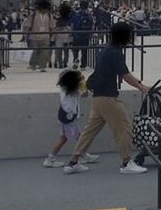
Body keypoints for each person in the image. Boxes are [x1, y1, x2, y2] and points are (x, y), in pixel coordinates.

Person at [62, 22, 151, 175]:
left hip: (98, 97)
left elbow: (119, 73)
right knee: (124, 128)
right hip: (108, 97)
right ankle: (126, 163)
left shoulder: (106, 49)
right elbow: (125, 75)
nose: (132, 38)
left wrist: (138, 82)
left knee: (89, 131)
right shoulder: (115, 53)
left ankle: (73, 162)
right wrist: (142, 87)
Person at [44, 70, 99, 168]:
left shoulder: (65, 89)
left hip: (64, 116)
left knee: (68, 138)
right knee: (78, 138)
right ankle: (51, 159)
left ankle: (81, 154)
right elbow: (85, 94)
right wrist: (83, 82)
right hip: (69, 119)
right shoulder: (73, 92)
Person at [24, 0, 55, 72]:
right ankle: (33, 65)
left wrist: (53, 37)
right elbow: (28, 25)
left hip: (45, 37)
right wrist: (25, 35)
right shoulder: (34, 14)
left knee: (44, 53)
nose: (45, 10)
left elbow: (52, 26)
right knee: (34, 52)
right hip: (34, 37)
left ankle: (42, 66)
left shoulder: (49, 15)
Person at [70, 1, 94, 69]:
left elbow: (72, 24)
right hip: (86, 35)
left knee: (75, 49)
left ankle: (75, 60)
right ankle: (83, 65)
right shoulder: (89, 15)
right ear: (87, 7)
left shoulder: (76, 15)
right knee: (84, 50)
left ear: (80, 6)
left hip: (77, 34)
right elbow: (92, 25)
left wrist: (71, 33)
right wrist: (91, 33)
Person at [53, 1, 73, 68]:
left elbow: (55, 28)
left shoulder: (58, 20)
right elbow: (71, 28)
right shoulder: (69, 19)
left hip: (59, 36)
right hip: (66, 35)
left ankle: (60, 64)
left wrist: (53, 38)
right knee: (66, 51)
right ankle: (65, 63)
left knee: (59, 51)